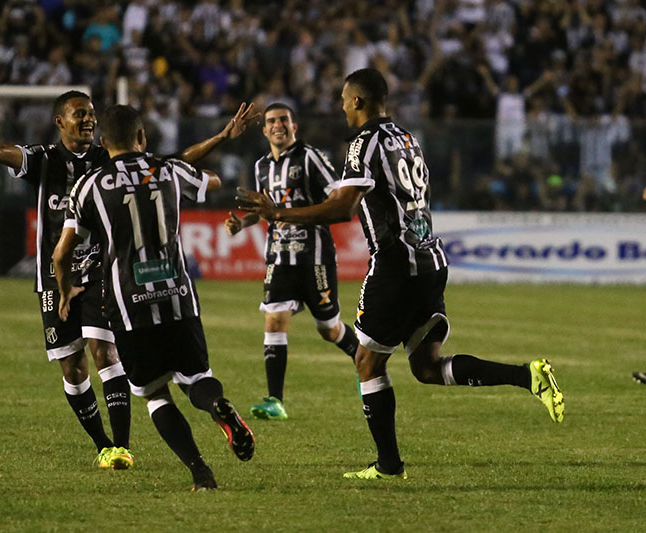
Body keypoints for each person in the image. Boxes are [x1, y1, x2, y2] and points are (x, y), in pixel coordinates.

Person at [237, 68, 564, 480]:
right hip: (430, 260)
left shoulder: (363, 142)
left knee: (367, 362)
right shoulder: (408, 137)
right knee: (426, 367)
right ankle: (527, 376)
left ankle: (388, 464)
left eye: (343, 98)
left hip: (395, 267)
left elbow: (342, 208)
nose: (340, 105)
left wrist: (280, 213)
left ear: (357, 101)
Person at [0, 92, 257, 471]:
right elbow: (1, 152)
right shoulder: (44, 159)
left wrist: (222, 137)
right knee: (73, 368)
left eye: (93, 115)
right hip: (55, 277)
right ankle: (103, 444)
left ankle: (121, 445)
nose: (88, 120)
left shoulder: (106, 157)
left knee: (105, 351)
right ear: (59, 121)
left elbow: (166, 164)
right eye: (79, 114)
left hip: (101, 271)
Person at [54, 105, 255, 491]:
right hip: (178, 296)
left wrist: (65, 289)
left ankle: (201, 473)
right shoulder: (168, 171)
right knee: (197, 379)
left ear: (102, 142)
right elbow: (210, 181)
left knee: (154, 393)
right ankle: (216, 406)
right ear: (142, 137)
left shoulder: (87, 186)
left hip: (129, 307)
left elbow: (62, 253)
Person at [224, 103, 359, 421]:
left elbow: (337, 198)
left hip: (314, 258)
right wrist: (241, 224)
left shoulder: (310, 157)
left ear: (294, 126)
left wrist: (299, 215)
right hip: (279, 257)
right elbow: (263, 211)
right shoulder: (261, 166)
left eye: (283, 120)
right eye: (271, 121)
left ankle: (363, 359)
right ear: (264, 129)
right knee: (274, 319)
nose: (277, 125)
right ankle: (275, 400)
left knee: (328, 328)